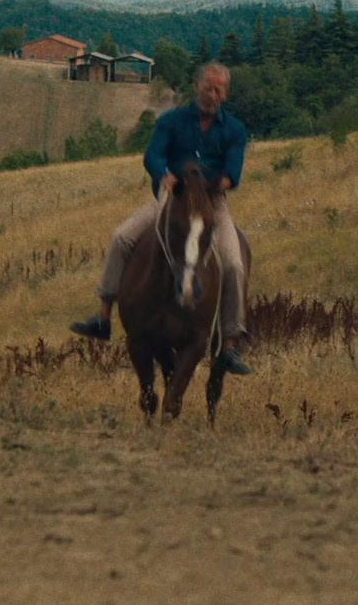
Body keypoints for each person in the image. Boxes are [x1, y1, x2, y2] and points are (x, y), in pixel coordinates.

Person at [69, 62, 255, 374]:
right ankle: (103, 317)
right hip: (174, 198)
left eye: (220, 89)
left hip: (212, 203)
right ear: (198, 87)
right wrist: (165, 176)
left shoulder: (235, 130)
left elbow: (232, 175)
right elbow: (153, 155)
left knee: (234, 265)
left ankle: (231, 345)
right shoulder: (173, 121)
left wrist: (208, 188)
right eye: (209, 87)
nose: (214, 94)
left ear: (227, 92)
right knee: (122, 237)